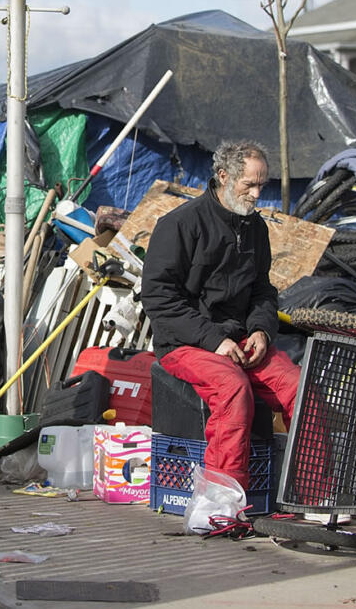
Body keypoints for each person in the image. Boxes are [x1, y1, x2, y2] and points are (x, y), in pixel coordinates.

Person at [140, 139, 301, 490]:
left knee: (299, 388)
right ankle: (222, 500)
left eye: (262, 185)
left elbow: (262, 291)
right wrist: (214, 340)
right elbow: (159, 298)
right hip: (185, 343)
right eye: (250, 185)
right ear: (224, 176)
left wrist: (261, 330)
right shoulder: (179, 224)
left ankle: (313, 496)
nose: (258, 194)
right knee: (233, 389)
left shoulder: (256, 229)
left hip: (241, 340)